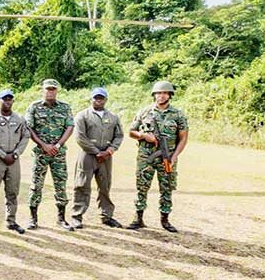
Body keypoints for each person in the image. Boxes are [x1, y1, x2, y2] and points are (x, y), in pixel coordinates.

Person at [127, 81, 189, 233]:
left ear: (170, 95)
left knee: (166, 188)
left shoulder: (178, 114)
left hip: (167, 157)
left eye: (164, 93)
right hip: (146, 156)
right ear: (154, 95)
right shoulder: (144, 112)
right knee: (142, 186)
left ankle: (165, 219)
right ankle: (138, 218)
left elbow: (183, 138)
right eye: (158, 93)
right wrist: (143, 136)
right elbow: (131, 132)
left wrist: (174, 157)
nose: (161, 96)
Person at [70, 87, 124, 229]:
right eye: (96, 97)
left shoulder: (113, 117)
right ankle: (77, 216)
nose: (98, 100)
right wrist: (96, 152)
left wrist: (110, 150)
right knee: (82, 185)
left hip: (106, 156)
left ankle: (107, 216)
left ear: (106, 99)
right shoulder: (82, 116)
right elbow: (80, 137)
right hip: (87, 155)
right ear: (91, 99)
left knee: (105, 186)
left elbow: (119, 136)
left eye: (101, 98)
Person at [25, 79, 75, 231]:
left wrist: (58, 145)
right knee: (36, 185)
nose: (50, 91)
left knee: (60, 184)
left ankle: (61, 218)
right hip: (40, 153)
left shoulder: (65, 107)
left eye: (53, 89)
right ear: (43, 90)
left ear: (57, 90)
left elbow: (70, 126)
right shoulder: (34, 107)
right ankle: (33, 219)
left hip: (58, 153)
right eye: (48, 89)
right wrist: (43, 145)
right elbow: (29, 128)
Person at [0, 88, 31, 235]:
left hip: (14, 161)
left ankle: (11, 221)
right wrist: (3, 155)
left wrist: (16, 154)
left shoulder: (20, 119)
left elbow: (25, 137)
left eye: (10, 99)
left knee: (12, 192)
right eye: (5, 99)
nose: (8, 101)